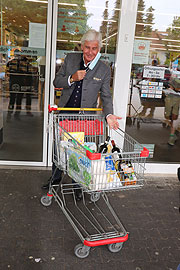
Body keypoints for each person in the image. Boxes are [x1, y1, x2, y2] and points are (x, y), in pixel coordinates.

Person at [41, 29, 121, 198]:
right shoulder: (71, 59)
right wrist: (72, 78)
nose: (90, 52)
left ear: (98, 48)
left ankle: (77, 185)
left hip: (84, 118)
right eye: (87, 47)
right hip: (65, 113)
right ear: (82, 46)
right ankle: (55, 180)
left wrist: (109, 115)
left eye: (94, 48)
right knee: (58, 149)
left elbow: (106, 96)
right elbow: (57, 81)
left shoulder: (104, 69)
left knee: (80, 151)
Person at [164, 77, 180, 146]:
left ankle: (171, 138)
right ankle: (172, 138)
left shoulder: (170, 94)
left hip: (175, 114)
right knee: (174, 123)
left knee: (174, 124)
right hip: (176, 113)